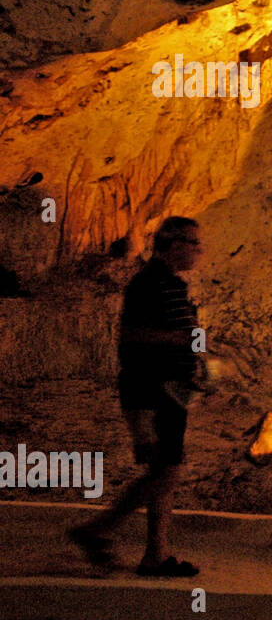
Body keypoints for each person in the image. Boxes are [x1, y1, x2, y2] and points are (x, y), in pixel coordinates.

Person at [69, 216, 206, 576]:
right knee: (166, 474)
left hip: (171, 391)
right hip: (155, 391)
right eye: (193, 242)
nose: (198, 250)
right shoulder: (150, 283)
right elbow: (131, 336)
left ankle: (156, 555)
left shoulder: (171, 285)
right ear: (173, 244)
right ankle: (96, 531)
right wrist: (181, 341)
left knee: (163, 472)